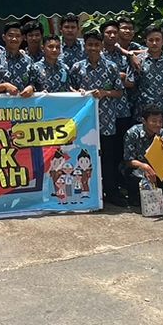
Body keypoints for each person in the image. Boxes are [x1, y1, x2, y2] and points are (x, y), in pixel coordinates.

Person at [71, 30, 127, 205]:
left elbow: (119, 92)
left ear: (102, 46)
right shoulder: (77, 67)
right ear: (85, 46)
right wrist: (78, 92)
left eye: (96, 45)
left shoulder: (111, 67)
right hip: (85, 124)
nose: (93, 48)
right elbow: (69, 90)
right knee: (84, 158)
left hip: (107, 121)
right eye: (90, 45)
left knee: (108, 158)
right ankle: (87, 192)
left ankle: (111, 192)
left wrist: (104, 93)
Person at [122, 106, 163, 211]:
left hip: (155, 166)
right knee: (134, 176)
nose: (158, 124)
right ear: (144, 121)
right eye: (154, 121)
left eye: (160, 121)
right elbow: (128, 160)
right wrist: (144, 166)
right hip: (136, 167)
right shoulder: (132, 133)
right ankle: (134, 196)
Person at [132, 24, 163, 121]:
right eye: (151, 40)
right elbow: (131, 83)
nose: (154, 43)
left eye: (157, 40)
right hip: (143, 111)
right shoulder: (138, 60)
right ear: (145, 41)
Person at [0, 21, 37, 94]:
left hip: (24, 101)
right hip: (0, 101)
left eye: (18, 36)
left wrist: (31, 88)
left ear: (22, 38)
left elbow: (34, 83)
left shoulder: (28, 61)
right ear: (4, 37)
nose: (14, 39)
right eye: (10, 35)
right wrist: (4, 86)